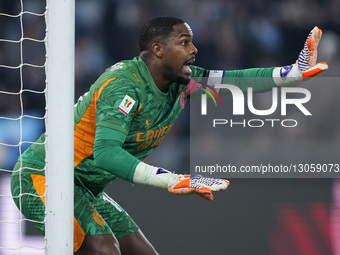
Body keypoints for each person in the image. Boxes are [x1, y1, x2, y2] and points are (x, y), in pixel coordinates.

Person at [11, 16, 327, 254]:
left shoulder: (183, 83)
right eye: (184, 42)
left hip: (84, 186)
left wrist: (293, 73)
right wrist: (173, 180)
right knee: (103, 248)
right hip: (42, 176)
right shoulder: (124, 86)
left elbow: (235, 81)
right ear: (158, 49)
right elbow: (106, 153)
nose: (194, 49)